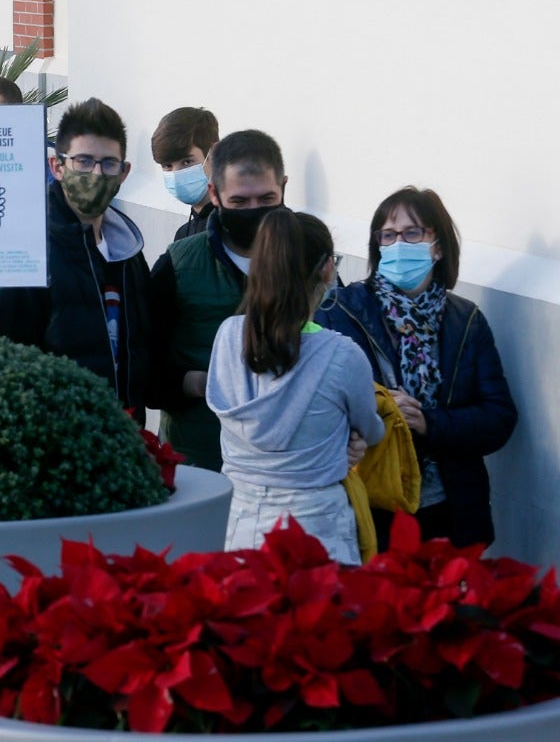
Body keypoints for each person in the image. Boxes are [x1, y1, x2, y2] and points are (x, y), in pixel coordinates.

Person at [317, 188, 518, 548]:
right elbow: (316, 404)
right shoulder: (340, 312)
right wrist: (378, 408)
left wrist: (428, 422)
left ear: (437, 246)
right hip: (371, 505)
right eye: (388, 235)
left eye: (412, 233)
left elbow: (499, 417)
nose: (398, 245)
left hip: (450, 508)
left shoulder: (466, 320)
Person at [208, 210, 384, 564]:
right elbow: (372, 431)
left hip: (240, 530)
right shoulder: (343, 356)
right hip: (319, 536)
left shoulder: (227, 336)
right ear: (326, 271)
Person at [0, 99, 152, 411]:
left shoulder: (129, 252)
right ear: (57, 167)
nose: (96, 173)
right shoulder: (29, 251)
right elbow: (5, 362)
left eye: (108, 163)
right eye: (84, 161)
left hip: (125, 436)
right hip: (59, 442)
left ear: (124, 172)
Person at [147, 129, 287, 471]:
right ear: (214, 193)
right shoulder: (179, 265)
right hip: (202, 461)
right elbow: (144, 368)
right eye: (239, 201)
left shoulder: (310, 261)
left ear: (283, 187)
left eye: (266, 200)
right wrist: (193, 383)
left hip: (286, 466)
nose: (253, 211)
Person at [151, 106, 219, 242]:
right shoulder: (182, 235)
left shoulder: (235, 230)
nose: (176, 174)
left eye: (187, 162)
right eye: (167, 166)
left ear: (214, 153)